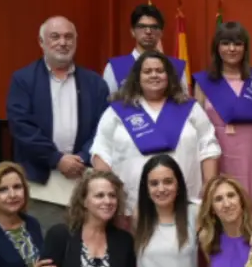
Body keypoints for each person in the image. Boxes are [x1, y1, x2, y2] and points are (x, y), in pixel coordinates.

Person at [6, 16, 110, 231]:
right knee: (47, 252)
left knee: (85, 247)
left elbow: (104, 128)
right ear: (41, 42)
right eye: (55, 37)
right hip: (41, 184)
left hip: (84, 180)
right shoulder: (23, 80)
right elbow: (21, 127)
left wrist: (81, 157)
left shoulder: (95, 83)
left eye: (68, 37)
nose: (62, 42)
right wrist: (57, 159)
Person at [90, 50, 221, 213]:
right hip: (132, 205)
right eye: (147, 71)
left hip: (185, 202)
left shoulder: (190, 108)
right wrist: (109, 192)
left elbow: (208, 146)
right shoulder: (117, 110)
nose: (154, 75)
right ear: (137, 77)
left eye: (160, 71)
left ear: (169, 76)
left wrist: (209, 183)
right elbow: (101, 151)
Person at [193, 21, 252, 219]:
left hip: (251, 159)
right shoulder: (203, 82)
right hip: (217, 159)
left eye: (238, 43)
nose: (232, 48)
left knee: (251, 212)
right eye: (225, 43)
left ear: (245, 48)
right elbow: (197, 130)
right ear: (217, 47)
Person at [104, 3, 189, 93]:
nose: (148, 31)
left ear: (161, 32)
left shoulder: (176, 67)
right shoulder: (115, 67)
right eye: (142, 27)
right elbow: (108, 103)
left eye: (154, 27)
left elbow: (184, 103)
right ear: (132, 31)